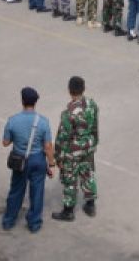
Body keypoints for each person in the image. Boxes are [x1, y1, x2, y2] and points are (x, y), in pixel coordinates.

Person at [1, 86, 55, 233]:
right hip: (38, 160)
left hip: (20, 160)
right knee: (37, 192)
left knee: (16, 190)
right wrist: (51, 164)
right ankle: (34, 223)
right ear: (35, 102)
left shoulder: (13, 120)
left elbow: (5, 143)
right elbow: (48, 146)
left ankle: (8, 221)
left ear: (22, 101)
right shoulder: (43, 122)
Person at [52, 75, 99, 221]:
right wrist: (93, 143)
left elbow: (62, 137)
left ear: (69, 90)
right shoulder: (92, 104)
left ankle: (68, 211)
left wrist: (58, 156)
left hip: (73, 151)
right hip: (88, 146)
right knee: (87, 174)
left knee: (70, 179)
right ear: (83, 89)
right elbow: (95, 127)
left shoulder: (68, 113)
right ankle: (90, 204)